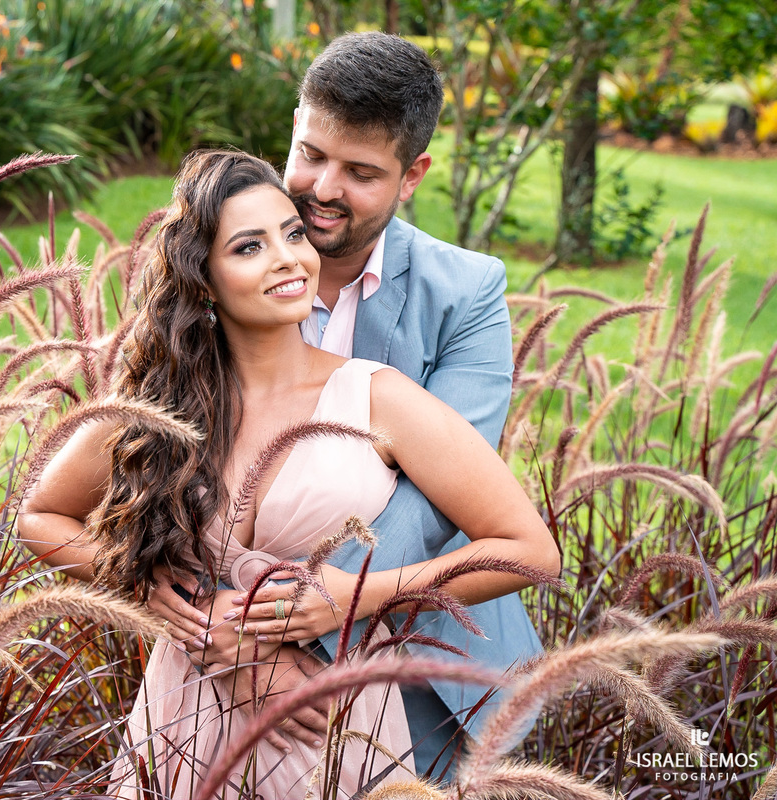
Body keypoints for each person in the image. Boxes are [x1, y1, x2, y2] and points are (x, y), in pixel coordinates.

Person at [16, 150, 560, 798]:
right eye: (250, 246)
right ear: (204, 280)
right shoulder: (159, 406)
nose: (288, 258)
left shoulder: (378, 399)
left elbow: (531, 552)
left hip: (329, 725)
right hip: (184, 713)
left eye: (292, 234)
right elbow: (39, 517)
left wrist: (356, 593)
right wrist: (159, 596)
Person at [142, 32, 546, 783]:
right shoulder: (213, 272)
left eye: (360, 172)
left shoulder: (466, 294)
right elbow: (150, 455)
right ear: (294, 124)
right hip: (215, 670)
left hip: (425, 657)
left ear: (412, 174)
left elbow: (426, 506)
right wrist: (220, 638)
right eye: (311, 153)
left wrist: (293, 636)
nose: (322, 188)